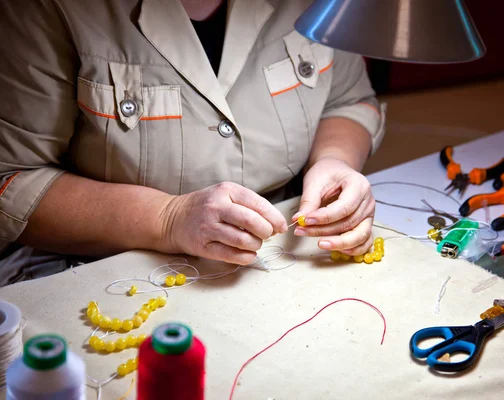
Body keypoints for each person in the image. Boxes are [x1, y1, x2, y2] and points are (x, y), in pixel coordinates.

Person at [0, 0, 386, 286]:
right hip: (104, 267)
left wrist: (335, 162)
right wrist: (167, 217)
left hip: (284, 252)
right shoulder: (46, 10)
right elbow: (13, 179)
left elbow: (348, 102)